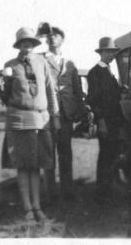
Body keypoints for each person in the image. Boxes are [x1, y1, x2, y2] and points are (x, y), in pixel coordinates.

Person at [0, 27, 60, 223]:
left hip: (41, 121)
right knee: (23, 167)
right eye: (24, 42)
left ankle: (38, 206)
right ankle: (27, 208)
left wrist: (55, 115)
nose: (28, 46)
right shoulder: (10, 65)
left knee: (37, 166)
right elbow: (6, 98)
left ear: (34, 44)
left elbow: (51, 91)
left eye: (31, 42)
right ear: (19, 45)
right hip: (19, 120)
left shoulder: (43, 63)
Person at [41, 26, 87, 202]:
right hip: (48, 113)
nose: (52, 38)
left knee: (65, 154)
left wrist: (81, 112)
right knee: (49, 153)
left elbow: (77, 88)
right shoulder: (41, 59)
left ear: (62, 39)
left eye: (56, 36)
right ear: (46, 41)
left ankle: (68, 192)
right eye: (50, 36)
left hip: (67, 114)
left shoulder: (70, 63)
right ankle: (50, 193)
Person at [86, 36, 126, 204]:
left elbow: (113, 96)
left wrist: (121, 90)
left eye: (113, 52)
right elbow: (94, 101)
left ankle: (110, 189)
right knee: (106, 157)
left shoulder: (110, 72)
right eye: (108, 52)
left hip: (115, 121)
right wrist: (101, 121)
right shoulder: (94, 73)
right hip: (106, 122)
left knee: (113, 155)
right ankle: (102, 193)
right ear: (101, 52)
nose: (111, 55)